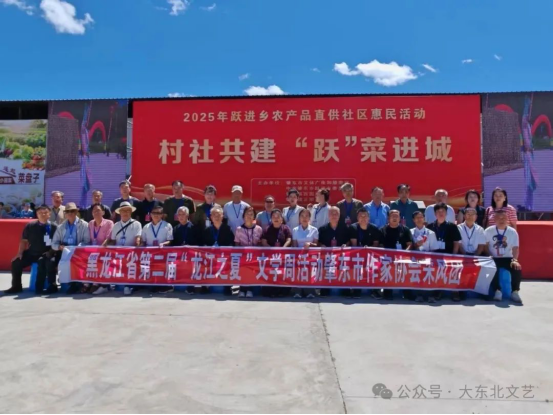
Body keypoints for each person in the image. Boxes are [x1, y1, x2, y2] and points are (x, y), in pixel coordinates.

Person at [3, 205, 58, 295]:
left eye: (45, 213)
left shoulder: (54, 227)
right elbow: (24, 240)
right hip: (32, 253)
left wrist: (50, 252)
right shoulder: (30, 226)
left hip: (46, 254)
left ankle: (51, 286)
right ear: (37, 214)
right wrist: (19, 253)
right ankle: (16, 286)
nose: (43, 215)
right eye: (40, 213)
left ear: (49, 214)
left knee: (49, 262)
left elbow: (57, 242)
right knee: (16, 262)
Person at [52, 203, 91, 294]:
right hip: (64, 251)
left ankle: (74, 285)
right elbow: (54, 243)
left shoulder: (84, 225)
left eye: (72, 211)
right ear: (65, 213)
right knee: (51, 261)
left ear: (76, 212)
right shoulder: (61, 227)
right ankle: (54, 284)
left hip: (78, 251)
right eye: (68, 211)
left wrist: (76, 248)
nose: (70, 213)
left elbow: (87, 241)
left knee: (74, 260)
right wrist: (59, 247)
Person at [485, 210, 523, 304]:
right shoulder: (489, 231)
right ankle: (497, 291)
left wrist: (515, 260)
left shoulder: (512, 232)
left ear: (507, 219)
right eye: (499, 218)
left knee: (517, 268)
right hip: (493, 257)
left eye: (503, 218)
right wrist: (489, 255)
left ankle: (515, 291)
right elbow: (485, 246)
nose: (501, 220)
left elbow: (515, 248)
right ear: (494, 219)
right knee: (492, 267)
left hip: (508, 258)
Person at [427, 203, 463, 302]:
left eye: (443, 211)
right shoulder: (430, 226)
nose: (441, 213)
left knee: (453, 271)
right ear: (435, 214)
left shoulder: (452, 226)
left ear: (446, 213)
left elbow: (456, 242)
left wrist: (454, 255)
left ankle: (455, 291)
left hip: (449, 254)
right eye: (438, 211)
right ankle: (437, 291)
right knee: (435, 272)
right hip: (435, 255)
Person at [106, 202, 143, 296]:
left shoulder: (137, 224)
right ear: (120, 212)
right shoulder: (116, 225)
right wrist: (106, 246)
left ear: (131, 212)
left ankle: (129, 286)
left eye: (127, 211)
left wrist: (138, 242)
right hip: (118, 254)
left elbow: (138, 238)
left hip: (131, 254)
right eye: (123, 211)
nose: (125, 213)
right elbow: (113, 240)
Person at [380, 210, 414, 301]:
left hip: (402, 257)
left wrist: (405, 253)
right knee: (387, 270)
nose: (395, 218)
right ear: (388, 218)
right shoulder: (383, 230)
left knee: (405, 272)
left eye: (397, 216)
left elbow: (409, 244)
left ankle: (407, 293)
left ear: (400, 218)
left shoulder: (405, 229)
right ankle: (387, 292)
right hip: (387, 257)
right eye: (393, 216)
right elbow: (380, 245)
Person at [349, 207, 383, 299]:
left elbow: (376, 244)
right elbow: (354, 244)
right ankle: (356, 289)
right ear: (357, 218)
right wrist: (362, 251)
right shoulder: (353, 228)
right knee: (356, 263)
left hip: (371, 255)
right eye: (361, 216)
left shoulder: (374, 228)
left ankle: (375, 290)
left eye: (365, 216)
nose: (363, 218)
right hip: (357, 254)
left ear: (369, 218)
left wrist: (369, 250)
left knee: (376, 265)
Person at [318, 206, 351, 297]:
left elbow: (349, 240)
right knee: (326, 271)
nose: (334, 215)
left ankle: (345, 290)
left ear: (339, 215)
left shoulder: (344, 228)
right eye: (332, 213)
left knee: (343, 270)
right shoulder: (322, 229)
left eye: (336, 214)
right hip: (327, 256)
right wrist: (321, 245)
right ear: (328, 215)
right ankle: (325, 289)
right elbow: (318, 242)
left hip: (341, 256)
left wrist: (346, 245)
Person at [142, 206, 174, 294]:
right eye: (154, 213)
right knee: (152, 270)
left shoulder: (167, 225)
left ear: (162, 215)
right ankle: (153, 285)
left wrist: (163, 244)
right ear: (151, 214)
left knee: (162, 270)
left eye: (159, 213)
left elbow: (170, 240)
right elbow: (143, 241)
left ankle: (165, 286)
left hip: (162, 253)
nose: (156, 215)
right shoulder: (146, 227)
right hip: (150, 254)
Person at [203, 206, 235, 295]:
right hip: (211, 256)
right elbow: (204, 244)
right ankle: (205, 286)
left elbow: (231, 243)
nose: (216, 217)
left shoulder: (228, 229)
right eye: (214, 215)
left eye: (218, 214)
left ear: (222, 216)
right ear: (211, 217)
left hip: (224, 256)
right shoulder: (207, 230)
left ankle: (227, 286)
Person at [261, 209, 292, 298]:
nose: (276, 218)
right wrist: (271, 249)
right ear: (271, 219)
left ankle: (282, 291)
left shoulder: (286, 228)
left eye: (278, 216)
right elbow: (263, 241)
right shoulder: (267, 229)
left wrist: (283, 249)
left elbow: (289, 239)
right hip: (271, 256)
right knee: (271, 274)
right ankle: (271, 291)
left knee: (282, 274)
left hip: (283, 256)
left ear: (281, 219)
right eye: (274, 217)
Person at [410, 211, 439, 303]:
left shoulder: (431, 233)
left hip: (428, 258)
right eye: (417, 218)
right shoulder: (410, 232)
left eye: (421, 217)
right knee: (416, 275)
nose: (419, 219)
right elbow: (409, 247)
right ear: (413, 220)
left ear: (424, 219)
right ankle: (418, 295)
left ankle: (430, 295)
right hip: (415, 258)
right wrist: (415, 245)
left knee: (429, 275)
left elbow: (434, 249)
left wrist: (427, 257)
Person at [235, 206, 263, 299]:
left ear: (254, 216)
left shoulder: (259, 229)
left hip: (255, 256)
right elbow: (237, 243)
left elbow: (260, 243)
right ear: (243, 216)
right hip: (243, 255)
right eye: (247, 214)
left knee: (252, 269)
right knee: (243, 270)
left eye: (251, 214)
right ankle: (242, 289)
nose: (249, 216)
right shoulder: (239, 229)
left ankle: (250, 289)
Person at [87, 204, 115, 295]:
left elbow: (108, 239)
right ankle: (88, 283)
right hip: (93, 251)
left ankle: (102, 285)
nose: (96, 212)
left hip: (105, 250)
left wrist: (100, 249)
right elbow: (88, 239)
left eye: (98, 210)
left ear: (103, 212)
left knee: (100, 258)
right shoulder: (90, 224)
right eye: (94, 211)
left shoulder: (109, 223)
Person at [291, 208, 319, 299]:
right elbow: (294, 245)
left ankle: (310, 291)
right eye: (302, 216)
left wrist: (310, 244)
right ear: (299, 218)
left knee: (309, 273)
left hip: (310, 256)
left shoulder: (314, 230)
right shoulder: (295, 230)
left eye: (307, 216)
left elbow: (316, 244)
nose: (304, 218)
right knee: (298, 272)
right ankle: (298, 291)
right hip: (299, 256)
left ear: (309, 218)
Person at [173, 206, 200, 295]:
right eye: (179, 214)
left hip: (191, 254)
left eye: (183, 214)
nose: (181, 216)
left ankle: (190, 286)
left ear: (187, 215)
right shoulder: (176, 228)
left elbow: (199, 242)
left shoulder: (194, 227)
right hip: (179, 254)